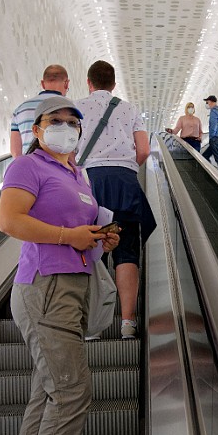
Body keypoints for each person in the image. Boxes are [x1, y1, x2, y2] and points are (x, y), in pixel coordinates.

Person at [0, 95, 119, 435]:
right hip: (45, 288)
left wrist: (101, 236)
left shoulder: (79, 175)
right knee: (71, 392)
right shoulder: (27, 165)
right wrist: (69, 237)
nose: (65, 127)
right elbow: (9, 220)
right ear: (37, 129)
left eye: (73, 121)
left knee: (47, 393)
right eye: (56, 120)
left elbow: (78, 228)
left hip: (73, 287)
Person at [75, 60, 156, 340]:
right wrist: (127, 166)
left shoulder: (78, 108)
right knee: (127, 251)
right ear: (113, 84)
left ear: (89, 83)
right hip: (124, 183)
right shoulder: (129, 108)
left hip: (89, 182)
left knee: (91, 250)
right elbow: (144, 150)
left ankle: (92, 326)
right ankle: (127, 324)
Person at [9, 65, 71, 157]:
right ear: (66, 83)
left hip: (30, 165)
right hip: (59, 166)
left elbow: (15, 152)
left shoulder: (21, 109)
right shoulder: (70, 108)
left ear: (42, 84)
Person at [201, 95, 218, 176]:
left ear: (211, 102)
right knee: (205, 156)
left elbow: (213, 125)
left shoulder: (214, 111)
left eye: (207, 102)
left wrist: (211, 137)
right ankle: (211, 173)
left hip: (215, 138)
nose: (206, 104)